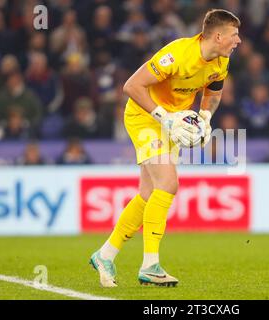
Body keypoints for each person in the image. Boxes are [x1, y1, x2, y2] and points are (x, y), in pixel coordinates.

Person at [89, 9, 241, 287]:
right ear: (218, 36)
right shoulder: (178, 54)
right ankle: (150, 265)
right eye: (234, 35)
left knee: (148, 194)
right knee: (169, 183)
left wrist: (205, 118)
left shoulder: (221, 61)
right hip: (145, 116)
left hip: (173, 122)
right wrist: (165, 117)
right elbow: (131, 86)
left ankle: (105, 254)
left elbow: (213, 92)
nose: (238, 41)